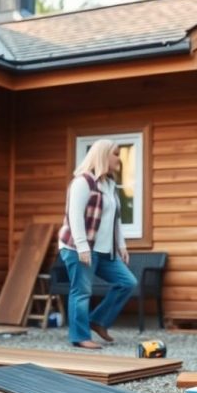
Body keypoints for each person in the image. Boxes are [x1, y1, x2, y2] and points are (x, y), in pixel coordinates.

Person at [58, 139, 137, 349]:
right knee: (81, 291)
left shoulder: (110, 185)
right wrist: (83, 247)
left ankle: (98, 321)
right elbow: (74, 216)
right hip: (78, 248)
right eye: (116, 154)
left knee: (127, 282)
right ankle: (80, 336)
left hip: (103, 251)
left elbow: (116, 219)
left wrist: (122, 246)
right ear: (103, 155)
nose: (119, 159)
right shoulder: (83, 182)